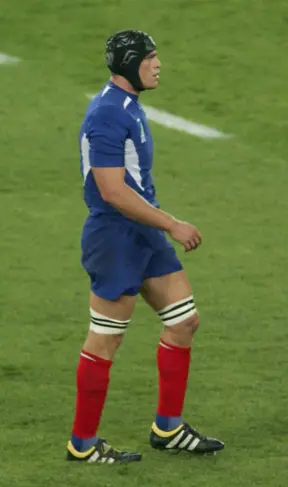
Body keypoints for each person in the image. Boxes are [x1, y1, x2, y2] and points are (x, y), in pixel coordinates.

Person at [67, 30, 224, 464]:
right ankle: (82, 444)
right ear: (132, 62)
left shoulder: (126, 106)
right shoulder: (107, 114)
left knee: (184, 322)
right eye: (151, 58)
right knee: (105, 341)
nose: (158, 65)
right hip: (115, 237)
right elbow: (113, 192)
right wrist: (172, 224)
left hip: (142, 234)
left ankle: (168, 427)